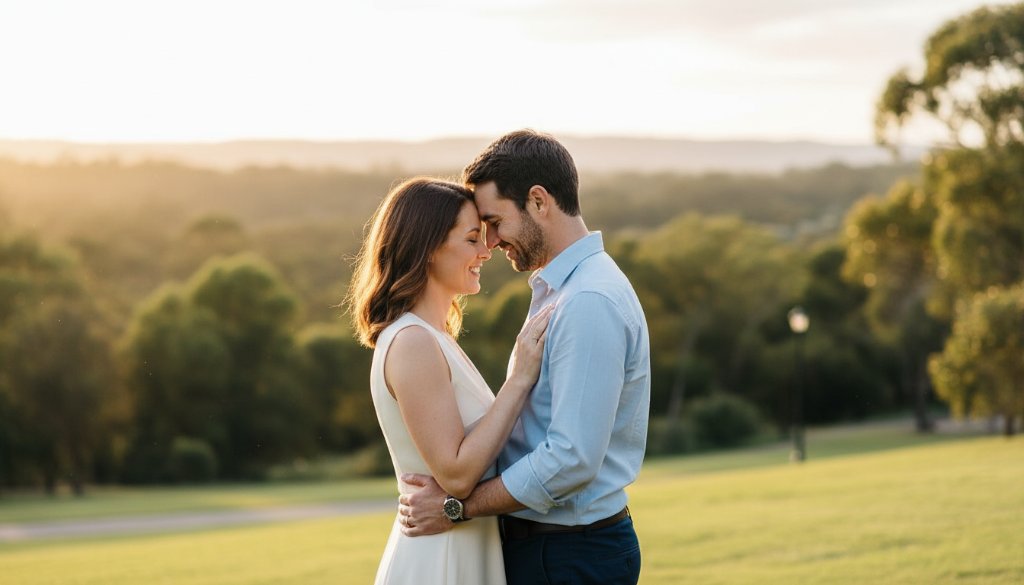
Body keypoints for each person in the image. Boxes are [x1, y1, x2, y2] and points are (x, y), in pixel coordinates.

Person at [399, 130, 651, 585]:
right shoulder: (562, 289)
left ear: (538, 201)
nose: (490, 242)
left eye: (495, 222)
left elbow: (571, 458)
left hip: (568, 554)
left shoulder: (587, 300)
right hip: (553, 548)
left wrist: (459, 507)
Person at [348, 177, 553, 585]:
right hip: (439, 559)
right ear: (427, 249)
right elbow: (457, 474)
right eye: (472, 239)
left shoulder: (435, 338)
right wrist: (519, 379)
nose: (486, 251)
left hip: (464, 547)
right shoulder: (412, 342)